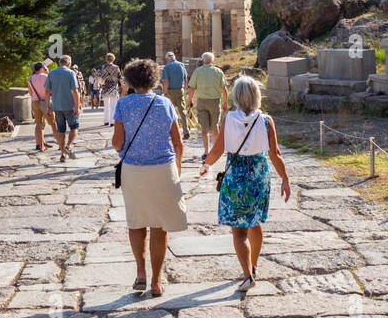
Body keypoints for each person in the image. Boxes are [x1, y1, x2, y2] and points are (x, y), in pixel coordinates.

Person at [199, 75, 290, 291]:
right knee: (255, 222)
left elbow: (217, 150)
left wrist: (205, 165)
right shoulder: (266, 121)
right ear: (257, 96)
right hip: (259, 175)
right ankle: (254, 265)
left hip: (236, 176)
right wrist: (285, 179)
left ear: (236, 97)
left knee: (239, 230)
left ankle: (248, 274)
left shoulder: (229, 119)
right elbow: (275, 154)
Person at [112, 57, 186, 296]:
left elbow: (117, 142)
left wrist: (127, 150)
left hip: (134, 170)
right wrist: (178, 168)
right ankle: (156, 281)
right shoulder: (164, 104)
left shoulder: (123, 105)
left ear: (130, 81)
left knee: (136, 222)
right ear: (154, 79)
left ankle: (140, 274)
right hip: (163, 168)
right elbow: (177, 142)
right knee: (159, 225)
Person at [186, 51, 226, 160]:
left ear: (203, 60)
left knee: (204, 129)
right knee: (214, 127)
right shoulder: (218, 71)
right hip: (214, 102)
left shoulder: (197, 71)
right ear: (213, 61)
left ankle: (206, 151)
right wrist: (225, 102)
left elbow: (192, 88)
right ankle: (215, 150)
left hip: (202, 102)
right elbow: (224, 89)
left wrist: (190, 100)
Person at [46, 55, 83, 162]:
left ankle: (62, 154)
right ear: (69, 63)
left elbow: (47, 92)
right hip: (69, 106)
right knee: (74, 127)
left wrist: (48, 107)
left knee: (61, 131)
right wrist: (77, 106)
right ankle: (68, 146)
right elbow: (75, 91)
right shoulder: (71, 73)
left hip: (57, 106)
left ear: (59, 63)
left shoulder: (51, 73)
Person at [26, 61, 55, 153]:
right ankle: (60, 143)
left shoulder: (30, 78)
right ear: (41, 68)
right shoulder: (45, 76)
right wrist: (47, 71)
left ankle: (40, 144)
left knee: (38, 125)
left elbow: (30, 93)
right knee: (53, 123)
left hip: (35, 102)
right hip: (44, 102)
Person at [160, 51, 190, 139]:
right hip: (180, 90)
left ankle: (170, 132)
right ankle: (186, 131)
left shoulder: (167, 67)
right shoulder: (181, 65)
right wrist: (184, 89)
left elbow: (166, 81)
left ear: (168, 58)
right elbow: (185, 78)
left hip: (170, 91)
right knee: (182, 111)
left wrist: (165, 92)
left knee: (169, 112)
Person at [97, 52, 123, 126]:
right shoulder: (116, 67)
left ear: (106, 59)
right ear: (113, 59)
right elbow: (119, 77)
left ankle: (106, 120)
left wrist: (101, 82)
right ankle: (112, 122)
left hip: (105, 87)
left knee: (106, 105)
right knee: (113, 105)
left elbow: (97, 76)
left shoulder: (103, 67)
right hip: (114, 88)